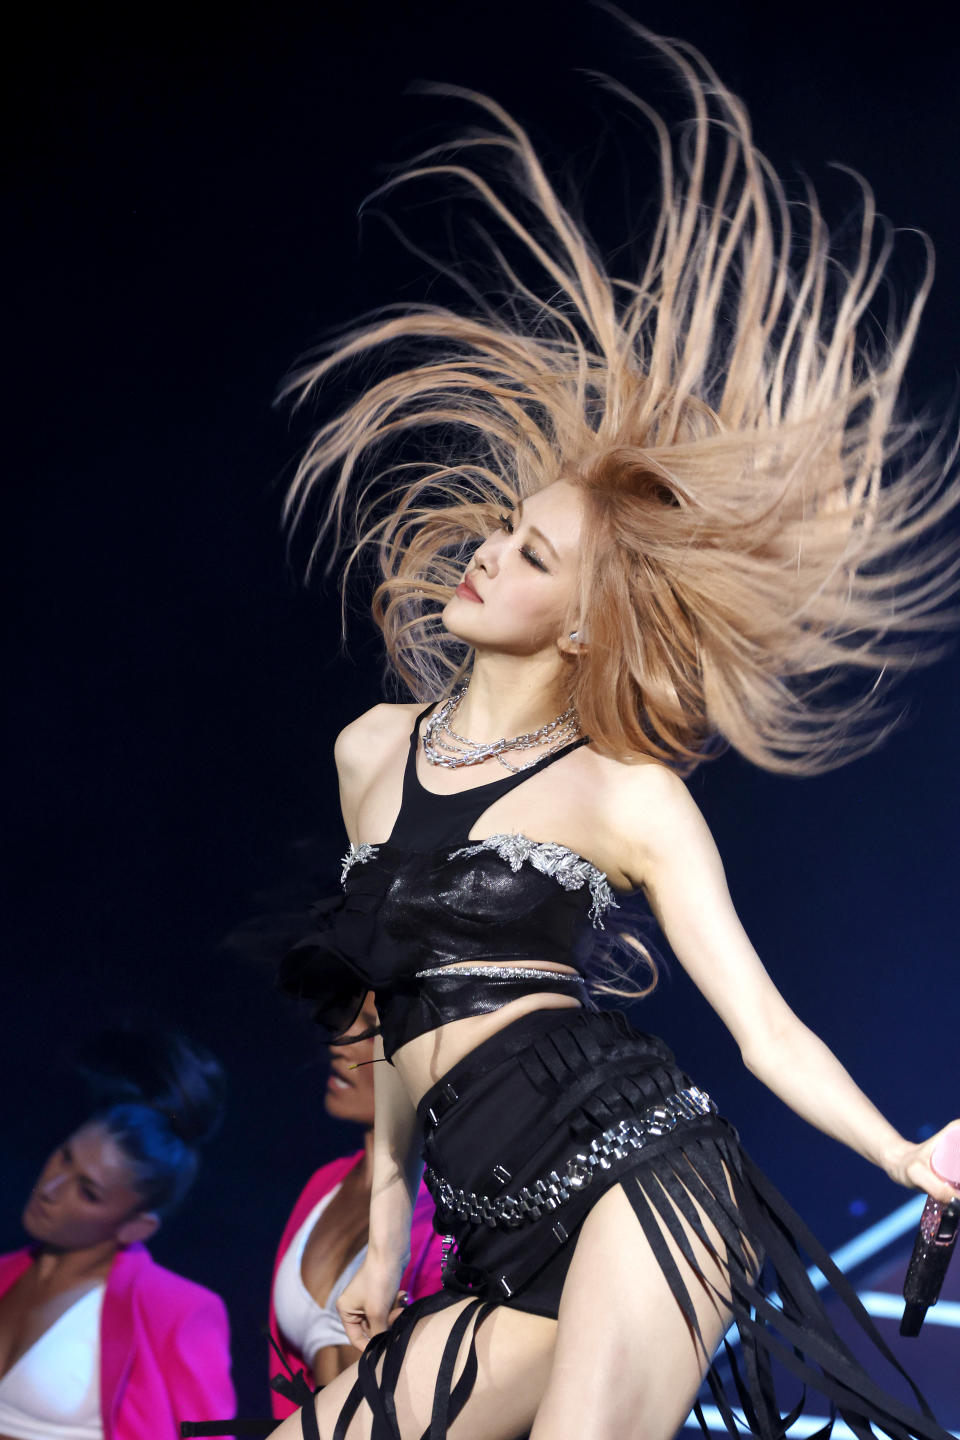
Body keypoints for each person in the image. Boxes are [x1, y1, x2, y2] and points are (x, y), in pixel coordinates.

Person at [268, 24, 960, 1440]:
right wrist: (391, 1230)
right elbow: (401, 1020)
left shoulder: (624, 793)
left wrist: (904, 1155)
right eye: (501, 531)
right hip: (493, 1237)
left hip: (647, 1176)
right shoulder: (367, 752)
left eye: (529, 557)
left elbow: (763, 1031)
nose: (483, 559)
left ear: (584, 628)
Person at [0, 1026, 235, 1440]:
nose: (51, 1189)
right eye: (64, 1157)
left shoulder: (175, 1311)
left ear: (135, 1225)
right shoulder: (5, 1273)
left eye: (88, 1192)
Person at [268, 997, 445, 1416]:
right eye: (344, 1022)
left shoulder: (448, 1205)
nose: (340, 1044)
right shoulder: (323, 1185)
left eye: (369, 1031)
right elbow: (282, 1367)